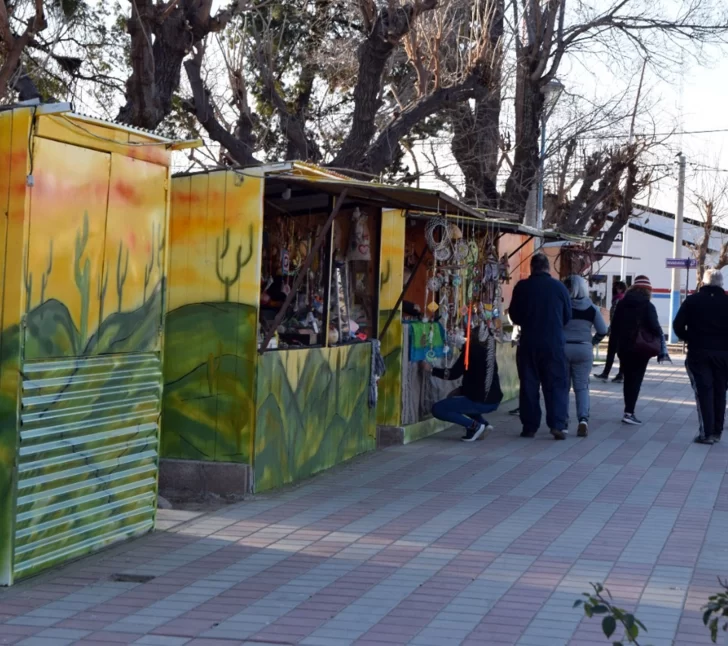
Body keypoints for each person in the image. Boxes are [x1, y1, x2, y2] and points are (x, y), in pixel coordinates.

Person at [509, 253, 571, 440]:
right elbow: (567, 316)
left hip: (529, 343)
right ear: (548, 268)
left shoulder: (522, 287)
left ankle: (529, 426)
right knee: (556, 385)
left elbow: (515, 316)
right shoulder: (559, 287)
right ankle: (557, 424)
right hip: (554, 343)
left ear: (532, 268)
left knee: (529, 385)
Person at [673, 268, 728, 445]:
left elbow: (677, 326)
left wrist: (691, 338)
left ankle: (706, 433)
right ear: (722, 283)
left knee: (704, 391)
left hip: (699, 353)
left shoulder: (692, 301)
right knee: (720, 391)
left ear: (703, 282)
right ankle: (717, 431)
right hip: (724, 355)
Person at [422, 326, 503, 442]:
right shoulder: (489, 352)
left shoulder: (471, 351)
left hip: (480, 400)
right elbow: (479, 378)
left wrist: (431, 369)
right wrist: (461, 390)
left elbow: (453, 374)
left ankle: (474, 426)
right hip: (493, 400)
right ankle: (482, 424)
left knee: (438, 409)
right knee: (456, 400)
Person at [609, 275, 670, 425]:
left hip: (623, 347)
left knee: (627, 378)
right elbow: (655, 327)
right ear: (648, 290)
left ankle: (627, 410)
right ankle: (629, 412)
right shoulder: (648, 306)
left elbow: (615, 326)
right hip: (641, 348)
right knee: (636, 379)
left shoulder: (622, 304)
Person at [563, 275, 608, 437]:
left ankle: (563, 422)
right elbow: (603, 330)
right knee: (581, 387)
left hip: (564, 349)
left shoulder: (564, 306)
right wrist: (592, 342)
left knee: (563, 387)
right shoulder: (592, 309)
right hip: (583, 349)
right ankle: (583, 420)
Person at [594, 281, 627, 382]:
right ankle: (620, 374)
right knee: (620, 353)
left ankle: (607, 373)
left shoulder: (618, 300)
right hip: (622, 330)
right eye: (617, 288)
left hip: (617, 330)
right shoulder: (623, 299)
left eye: (619, 288)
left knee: (612, 352)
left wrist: (610, 328)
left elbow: (614, 316)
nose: (618, 290)